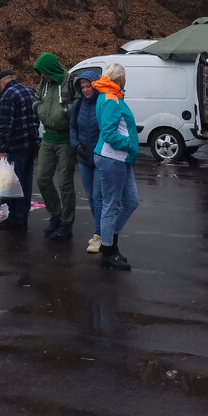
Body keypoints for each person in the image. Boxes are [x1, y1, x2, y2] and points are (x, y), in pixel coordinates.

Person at [93, 63, 139, 271]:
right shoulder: (111, 99)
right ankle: (108, 250)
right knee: (112, 204)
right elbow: (110, 134)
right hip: (113, 158)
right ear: (120, 79)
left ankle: (110, 240)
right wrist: (130, 145)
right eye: (125, 77)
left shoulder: (111, 95)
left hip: (120, 158)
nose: (126, 81)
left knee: (130, 201)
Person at [32, 51, 76, 241]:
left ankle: (66, 223)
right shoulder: (44, 83)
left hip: (65, 139)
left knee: (65, 183)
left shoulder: (69, 82)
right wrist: (39, 109)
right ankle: (56, 213)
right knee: (42, 178)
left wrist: (65, 111)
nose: (42, 76)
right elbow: (36, 101)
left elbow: (79, 103)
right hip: (48, 138)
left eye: (43, 72)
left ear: (51, 69)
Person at [0, 68, 40, 231]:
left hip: (16, 146)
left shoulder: (7, 96)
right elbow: (36, 117)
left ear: (3, 82)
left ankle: (15, 219)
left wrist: (2, 147)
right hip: (31, 145)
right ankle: (22, 216)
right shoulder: (30, 91)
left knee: (13, 185)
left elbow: (5, 126)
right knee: (26, 183)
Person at [69, 68, 102, 253]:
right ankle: (100, 231)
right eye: (82, 87)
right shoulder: (77, 105)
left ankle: (98, 236)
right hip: (83, 158)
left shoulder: (103, 103)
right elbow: (72, 128)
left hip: (99, 158)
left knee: (98, 197)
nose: (85, 90)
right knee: (90, 197)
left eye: (88, 86)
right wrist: (75, 145)